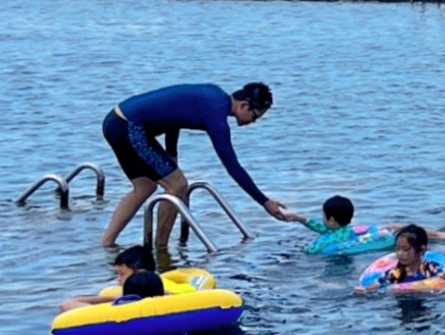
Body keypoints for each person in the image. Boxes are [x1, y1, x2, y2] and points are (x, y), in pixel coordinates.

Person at [99, 81, 301, 250]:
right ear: (244, 106)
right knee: (177, 186)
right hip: (129, 127)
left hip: (116, 121)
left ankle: (106, 244)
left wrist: (171, 155)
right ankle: (161, 251)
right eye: (255, 116)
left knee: (145, 187)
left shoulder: (214, 96)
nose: (253, 122)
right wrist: (264, 202)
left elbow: (174, 117)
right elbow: (233, 167)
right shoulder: (217, 117)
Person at [356, 224, 445, 292]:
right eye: (398, 249)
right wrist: (364, 291)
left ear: (422, 250)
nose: (400, 253)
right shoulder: (396, 273)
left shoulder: (430, 268)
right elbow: (376, 285)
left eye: (406, 249)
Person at [62, 244, 166, 310]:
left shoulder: (121, 303)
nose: (118, 279)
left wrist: (112, 299)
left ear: (140, 272)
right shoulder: (164, 295)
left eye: (122, 274)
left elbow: (68, 304)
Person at [303, 194, 394, 255]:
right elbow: (321, 228)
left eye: (323, 216)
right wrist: (298, 218)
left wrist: (306, 250)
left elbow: (313, 251)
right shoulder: (352, 231)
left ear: (331, 220)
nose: (322, 219)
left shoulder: (328, 240)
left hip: (335, 258)